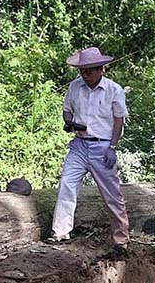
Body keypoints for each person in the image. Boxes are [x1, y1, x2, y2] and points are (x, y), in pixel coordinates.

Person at [48, 46, 130, 256]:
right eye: (82, 71)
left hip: (102, 146)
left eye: (90, 71)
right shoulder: (75, 87)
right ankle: (61, 232)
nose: (85, 75)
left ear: (101, 69)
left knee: (111, 193)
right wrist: (69, 122)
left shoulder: (114, 90)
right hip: (79, 144)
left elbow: (118, 120)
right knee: (67, 182)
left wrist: (112, 146)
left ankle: (121, 240)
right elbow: (67, 110)